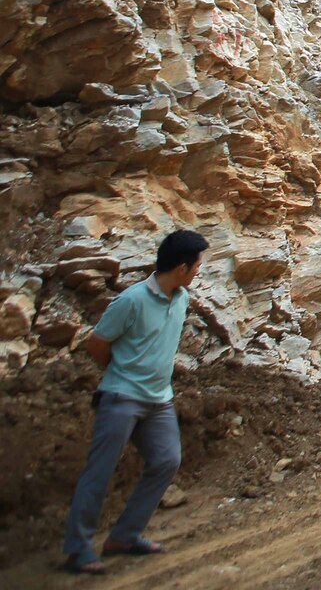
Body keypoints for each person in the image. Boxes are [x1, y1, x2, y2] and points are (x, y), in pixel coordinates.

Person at [61, 228, 207, 576]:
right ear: (183, 267)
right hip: (122, 397)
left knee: (167, 460)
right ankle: (77, 549)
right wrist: (123, 373)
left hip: (159, 400)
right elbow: (97, 344)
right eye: (198, 264)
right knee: (100, 471)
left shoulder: (182, 298)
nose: (200, 270)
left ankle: (125, 535)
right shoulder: (132, 300)